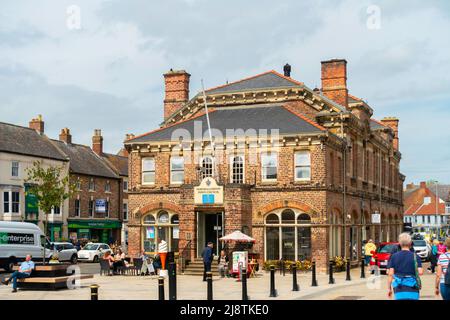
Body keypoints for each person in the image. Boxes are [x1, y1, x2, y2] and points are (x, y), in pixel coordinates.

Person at [387, 233, 423, 300]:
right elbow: (420, 272)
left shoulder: (394, 256)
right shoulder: (415, 256)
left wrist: (389, 288)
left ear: (400, 243)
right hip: (413, 286)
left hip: (399, 287)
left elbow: (390, 274)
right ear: (410, 243)